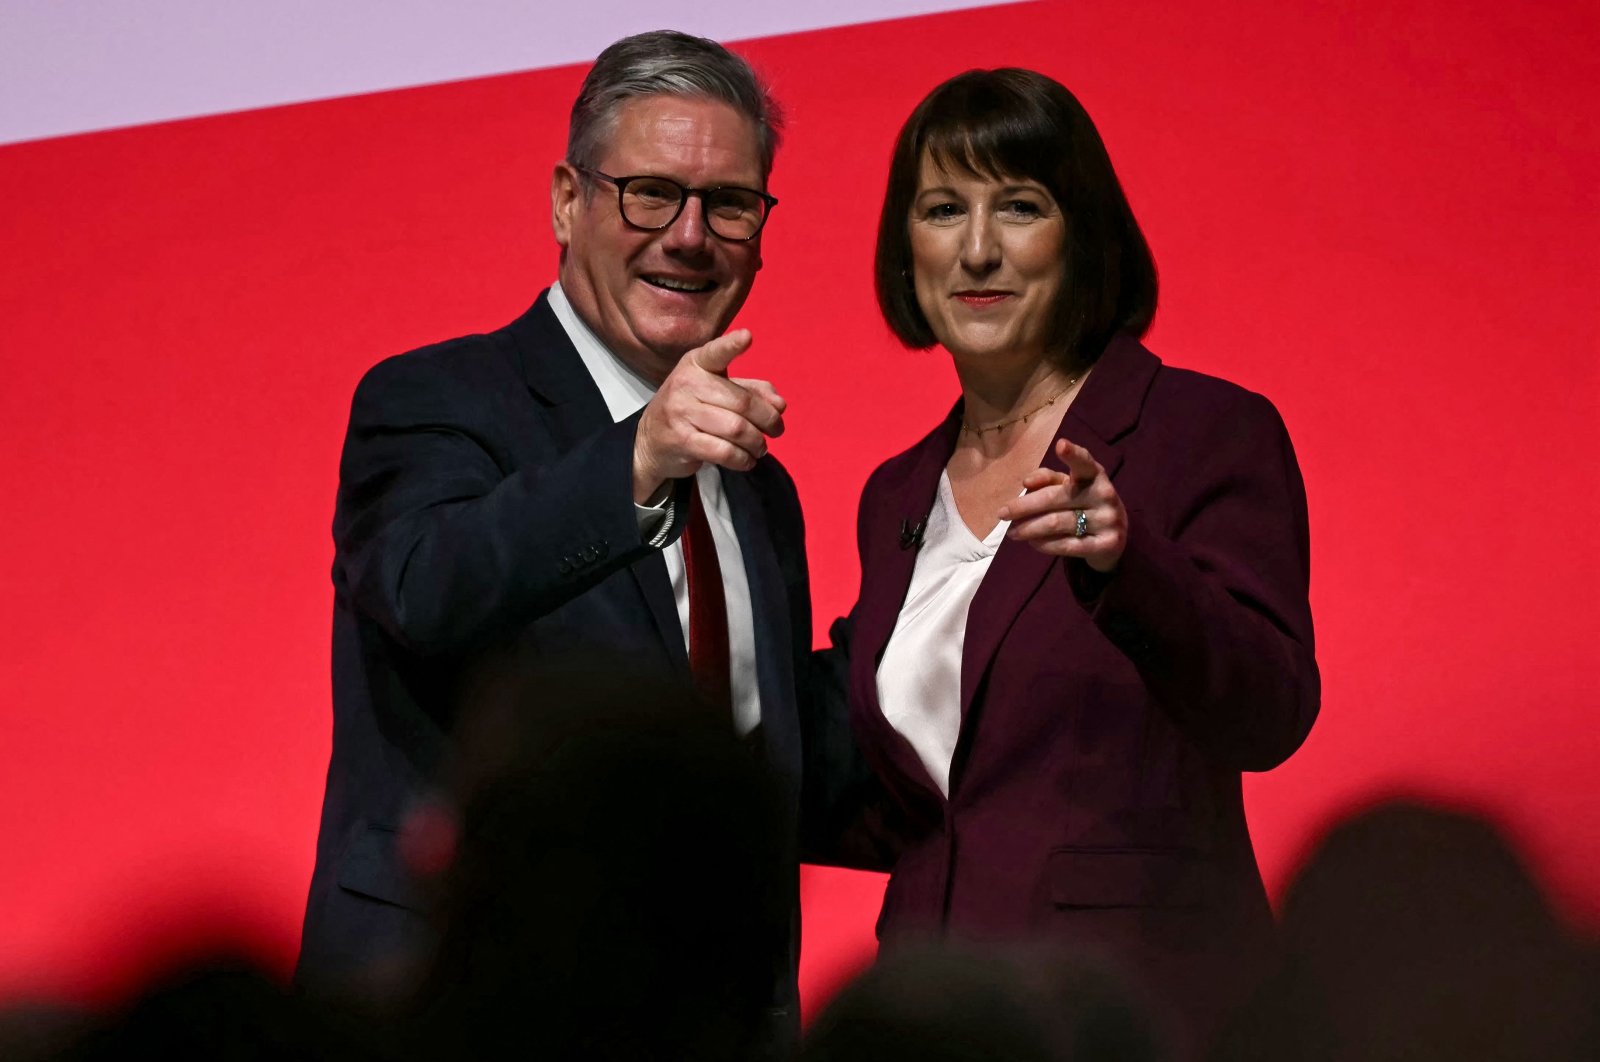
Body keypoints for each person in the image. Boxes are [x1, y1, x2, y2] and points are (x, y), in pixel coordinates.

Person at [295, 29, 812, 1052]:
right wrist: (635, 460)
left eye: (730, 205)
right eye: (650, 193)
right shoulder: (436, 399)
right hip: (468, 1013)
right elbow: (424, 586)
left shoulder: (758, 487)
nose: (691, 235)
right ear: (568, 202)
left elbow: (772, 761)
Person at [833, 69, 1320, 1056]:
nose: (976, 248)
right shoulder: (894, 493)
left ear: (1083, 234)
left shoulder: (1205, 432)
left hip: (1136, 1013)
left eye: (1019, 205)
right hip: (932, 1020)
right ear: (906, 249)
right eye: (941, 209)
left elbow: (1269, 711)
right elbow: (909, 795)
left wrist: (1126, 567)